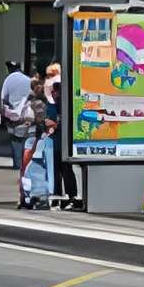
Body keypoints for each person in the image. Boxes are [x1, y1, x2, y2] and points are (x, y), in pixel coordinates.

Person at [45, 76, 79, 208]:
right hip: (55, 143)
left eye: (56, 92)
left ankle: (70, 195)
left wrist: (54, 124)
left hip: (61, 144)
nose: (54, 94)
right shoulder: (52, 106)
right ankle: (59, 195)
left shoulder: (63, 106)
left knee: (64, 170)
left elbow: (61, 122)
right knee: (58, 171)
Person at [0, 60, 34, 172]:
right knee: (27, 139)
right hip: (27, 113)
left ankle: (17, 163)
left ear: (9, 69)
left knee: (15, 139)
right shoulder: (28, 79)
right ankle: (26, 163)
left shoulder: (8, 80)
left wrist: (3, 114)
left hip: (13, 116)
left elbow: (4, 98)